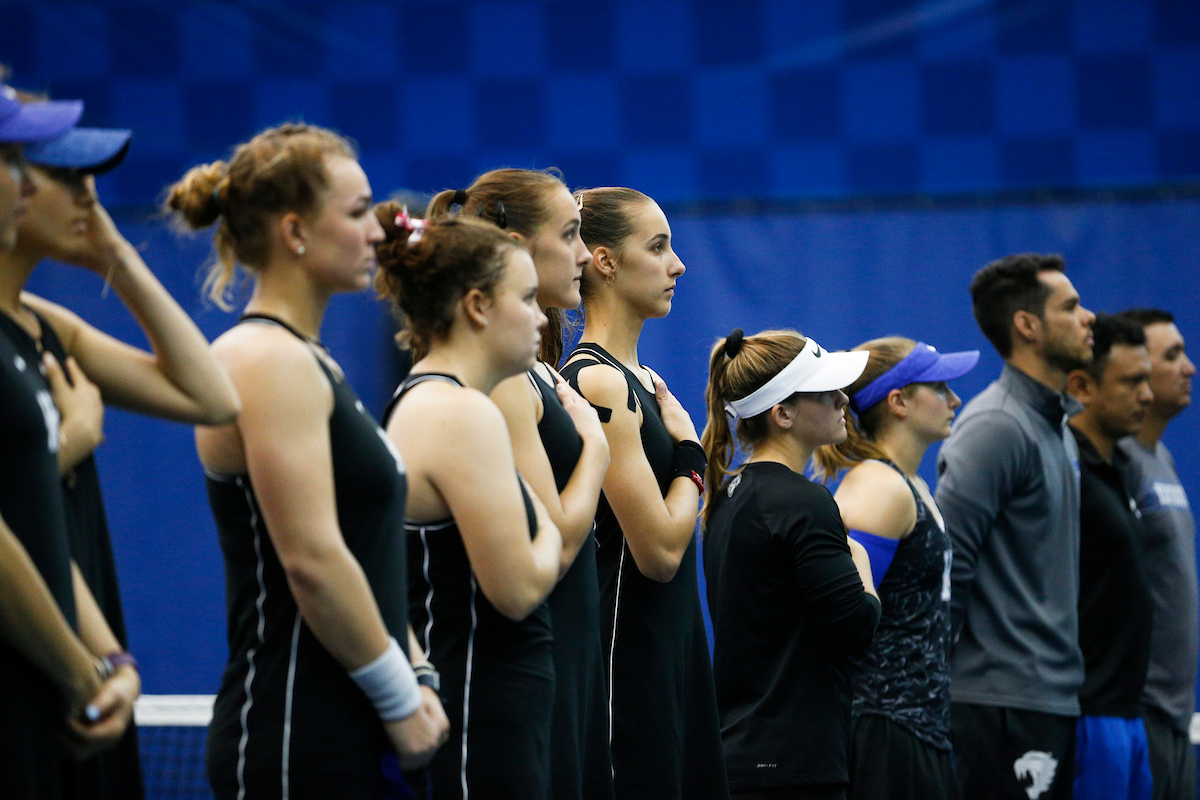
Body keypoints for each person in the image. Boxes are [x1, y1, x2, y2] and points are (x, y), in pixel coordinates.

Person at [167, 123, 448, 799]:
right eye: (357, 213)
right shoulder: (266, 360)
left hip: (353, 723)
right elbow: (313, 560)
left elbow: (366, 555)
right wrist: (400, 695)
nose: (378, 232)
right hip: (296, 731)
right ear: (294, 231)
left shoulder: (307, 360)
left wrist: (418, 673)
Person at [7, 103, 242, 798]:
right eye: (63, 175)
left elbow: (210, 397)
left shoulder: (45, 325)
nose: (89, 196)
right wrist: (70, 441)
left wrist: (115, 256)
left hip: (73, 680)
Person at [426, 170, 614, 799]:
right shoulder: (502, 381)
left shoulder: (531, 368)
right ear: (515, 246)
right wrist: (595, 451)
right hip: (532, 659)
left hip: (567, 651)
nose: (584, 254)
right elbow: (552, 539)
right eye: (570, 234)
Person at [376, 206, 566, 799]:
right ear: (478, 306)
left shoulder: (434, 400)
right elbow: (518, 589)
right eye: (528, 299)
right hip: (475, 726)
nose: (542, 317)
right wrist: (553, 529)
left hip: (490, 716)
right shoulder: (460, 413)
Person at [560, 186, 729, 799]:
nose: (677, 265)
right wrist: (692, 457)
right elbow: (657, 552)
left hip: (673, 644)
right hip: (626, 657)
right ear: (604, 261)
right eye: (657, 248)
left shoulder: (641, 380)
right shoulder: (598, 382)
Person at [0, 80, 141, 800]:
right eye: (13, 161)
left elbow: (209, 398)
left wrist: (110, 662)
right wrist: (83, 675)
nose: (27, 185)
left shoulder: (44, 325)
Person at [936, 253, 1095, 800]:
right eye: (1070, 306)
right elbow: (947, 565)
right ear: (1027, 325)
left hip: (1050, 701)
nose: (1088, 317)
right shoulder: (996, 426)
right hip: (997, 707)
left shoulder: (1058, 426)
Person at [702, 328, 881, 800]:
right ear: (782, 414)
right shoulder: (803, 501)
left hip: (749, 760)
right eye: (825, 392)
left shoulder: (728, 497)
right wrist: (861, 562)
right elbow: (856, 627)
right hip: (793, 769)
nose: (843, 399)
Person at [811, 337, 978, 800]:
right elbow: (843, 619)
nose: (954, 399)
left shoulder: (907, 483)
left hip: (918, 728)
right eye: (939, 387)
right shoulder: (880, 490)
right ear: (898, 402)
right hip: (884, 731)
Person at [1064, 314, 1156, 800]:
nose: (1148, 395)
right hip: (1087, 713)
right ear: (1082, 387)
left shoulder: (1121, 466)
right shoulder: (1067, 468)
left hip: (1128, 712)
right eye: (1132, 382)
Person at [1116, 308, 1197, 800]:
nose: (1190, 368)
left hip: (1175, 717)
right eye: (1173, 355)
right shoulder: (1115, 465)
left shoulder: (1161, 457)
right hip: (1135, 712)